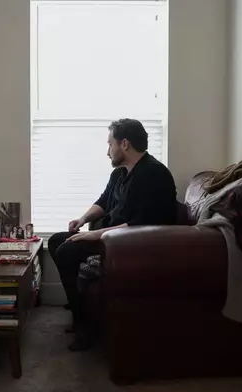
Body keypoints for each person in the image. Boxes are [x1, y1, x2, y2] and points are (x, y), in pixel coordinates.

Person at [48, 118, 177, 351]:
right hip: (110, 237)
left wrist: (95, 236)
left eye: (110, 145)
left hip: (130, 245)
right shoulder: (119, 174)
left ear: (124, 144)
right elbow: (104, 202)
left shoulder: (154, 174)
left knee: (67, 250)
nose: (108, 151)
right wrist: (83, 220)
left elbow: (142, 224)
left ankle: (84, 324)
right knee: (57, 240)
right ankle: (78, 307)